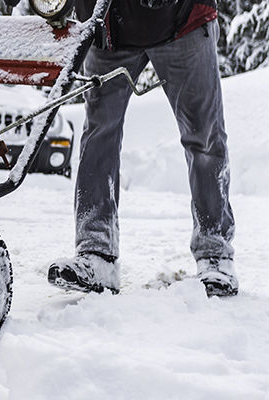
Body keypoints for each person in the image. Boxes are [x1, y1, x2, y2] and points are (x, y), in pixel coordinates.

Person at [47, 0, 238, 297]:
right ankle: (97, 254)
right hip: (107, 24)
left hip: (182, 21)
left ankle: (215, 253)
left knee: (204, 137)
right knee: (99, 136)